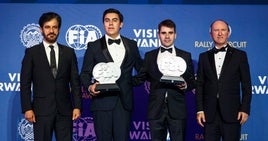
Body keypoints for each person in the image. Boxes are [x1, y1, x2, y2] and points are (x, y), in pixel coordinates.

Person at [80, 8, 143, 141]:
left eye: (114, 20)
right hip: (102, 102)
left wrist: (129, 82)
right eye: (107, 20)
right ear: (103, 23)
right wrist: (90, 87)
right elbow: (85, 74)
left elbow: (142, 71)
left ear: (121, 24)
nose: (110, 24)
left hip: (123, 102)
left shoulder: (132, 45)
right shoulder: (94, 46)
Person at [20, 12, 82, 141]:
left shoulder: (69, 53)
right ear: (41, 29)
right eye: (47, 27)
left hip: (65, 111)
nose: (51, 31)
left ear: (59, 29)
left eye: (54, 27)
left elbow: (75, 82)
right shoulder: (32, 53)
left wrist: (77, 106)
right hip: (41, 111)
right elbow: (25, 83)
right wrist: (27, 108)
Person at [134, 19, 196, 141]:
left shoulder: (185, 56)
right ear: (158, 35)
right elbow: (140, 78)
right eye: (163, 33)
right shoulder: (149, 56)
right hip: (156, 109)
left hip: (177, 109)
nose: (167, 36)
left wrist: (186, 85)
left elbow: (192, 81)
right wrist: (120, 79)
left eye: (170, 33)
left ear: (175, 35)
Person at [196, 19, 252, 141]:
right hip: (209, 115)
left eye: (223, 30)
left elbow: (247, 85)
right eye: (216, 30)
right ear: (211, 34)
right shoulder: (203, 57)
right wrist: (200, 109)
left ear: (228, 33)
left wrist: (245, 108)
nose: (220, 33)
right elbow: (199, 85)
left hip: (232, 113)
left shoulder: (240, 55)